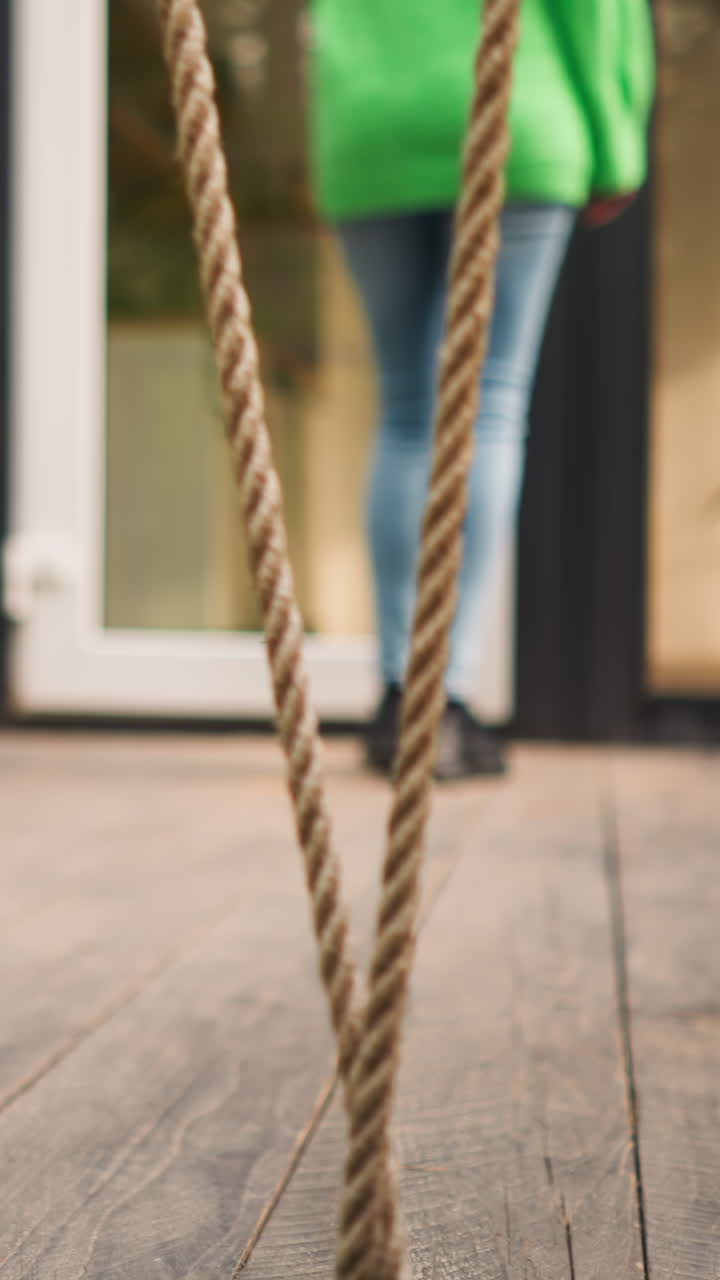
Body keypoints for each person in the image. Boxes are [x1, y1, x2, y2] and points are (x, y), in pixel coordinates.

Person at [309, 0, 654, 779]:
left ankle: (404, 690)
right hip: (514, 112)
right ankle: (448, 697)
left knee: (405, 411)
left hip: (370, 119)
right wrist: (616, 143)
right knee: (488, 403)